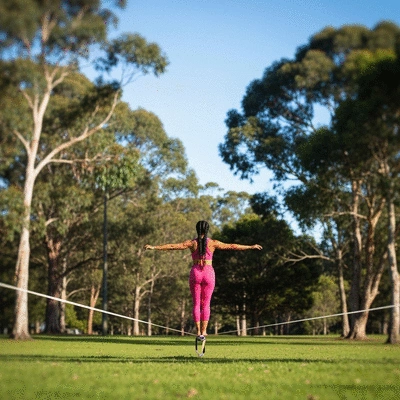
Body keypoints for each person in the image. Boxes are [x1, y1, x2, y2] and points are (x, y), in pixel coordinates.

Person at [144, 220, 262, 338]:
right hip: (209, 273)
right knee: (206, 305)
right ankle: (204, 331)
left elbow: (173, 246)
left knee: (196, 304)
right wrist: (250, 246)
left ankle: (198, 331)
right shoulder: (213, 243)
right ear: (207, 230)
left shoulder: (192, 243)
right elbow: (232, 246)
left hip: (196, 273)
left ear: (197, 229)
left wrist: (154, 247)